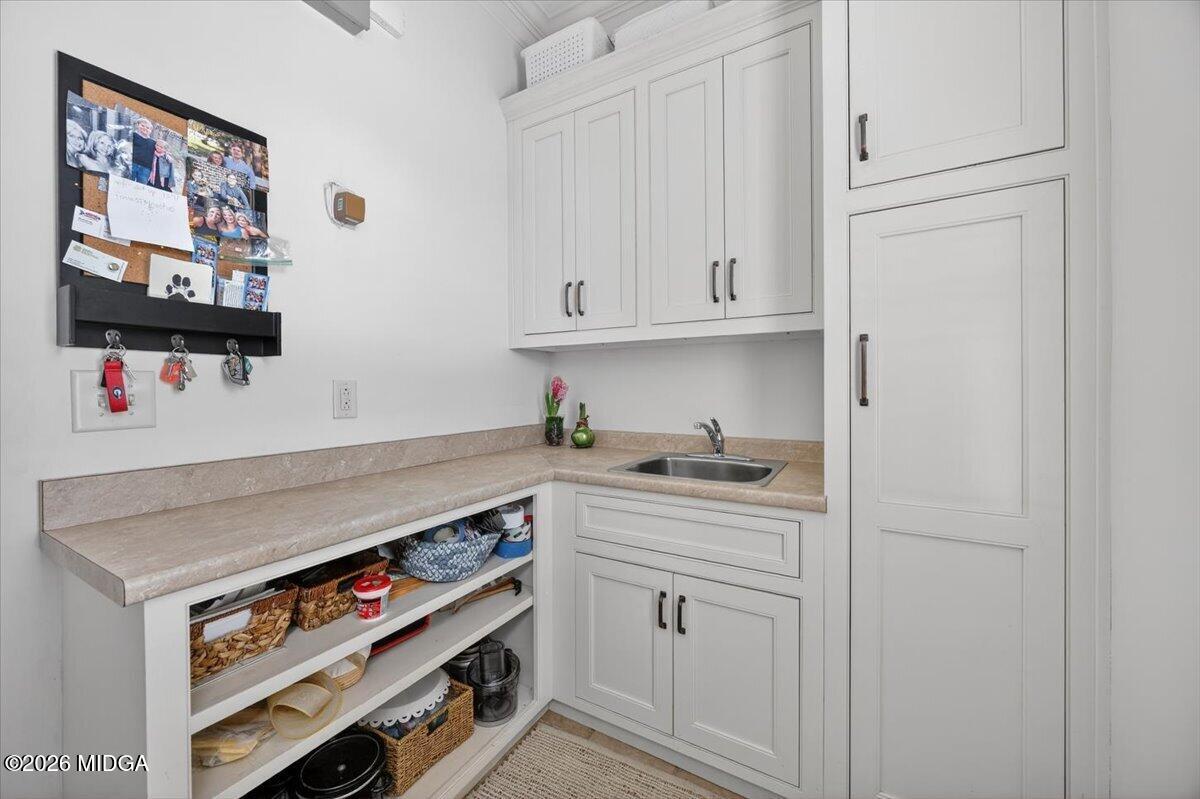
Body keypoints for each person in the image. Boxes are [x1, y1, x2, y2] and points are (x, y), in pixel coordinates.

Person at [130, 117, 155, 184]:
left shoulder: (153, 142)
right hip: (133, 163)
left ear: (150, 131)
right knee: (128, 182)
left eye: (147, 128)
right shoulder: (133, 135)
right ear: (138, 125)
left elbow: (158, 153)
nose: (145, 128)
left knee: (141, 186)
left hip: (146, 168)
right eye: (142, 125)